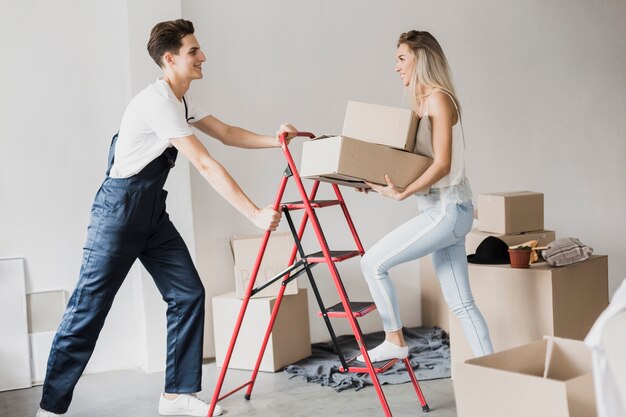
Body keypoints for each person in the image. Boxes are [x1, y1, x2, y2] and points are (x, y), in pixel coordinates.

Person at [36, 19, 296, 417]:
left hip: (151, 213)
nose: (203, 56)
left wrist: (275, 140)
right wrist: (254, 213)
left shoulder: (182, 100)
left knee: (187, 293)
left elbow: (225, 133)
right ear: (170, 59)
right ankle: (50, 409)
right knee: (88, 310)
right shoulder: (156, 101)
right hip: (118, 214)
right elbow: (205, 164)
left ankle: (176, 395)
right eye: (194, 51)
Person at [356, 30, 493, 363]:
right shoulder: (423, 104)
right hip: (447, 210)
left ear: (422, 59)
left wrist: (403, 193)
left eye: (402, 58)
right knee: (461, 303)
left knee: (372, 263)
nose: (396, 67)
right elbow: (419, 165)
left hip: (447, 210)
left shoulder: (438, 99)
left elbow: (443, 164)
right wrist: (375, 182)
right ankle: (494, 373)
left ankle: (394, 339)